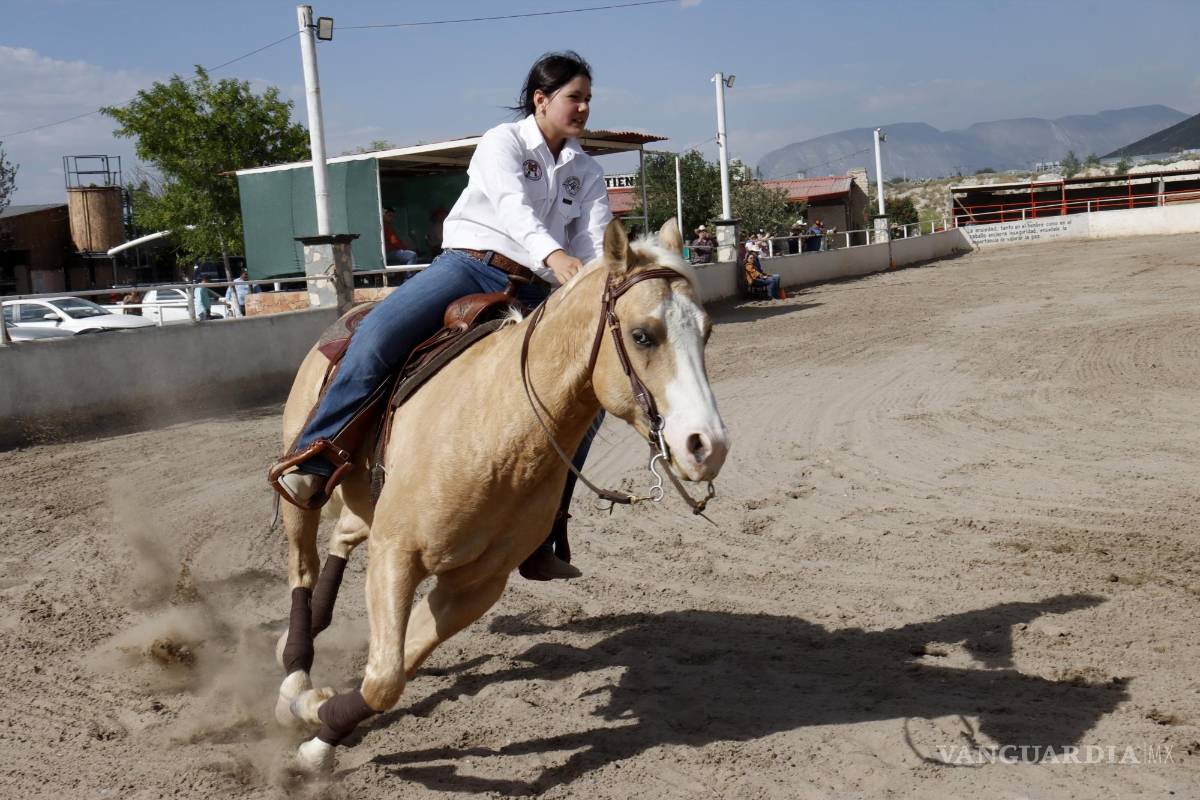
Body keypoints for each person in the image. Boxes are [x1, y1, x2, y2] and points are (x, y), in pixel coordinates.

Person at [272, 51, 611, 582]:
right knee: (380, 332)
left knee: (588, 400)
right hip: (470, 268)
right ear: (542, 100)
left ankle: (544, 530)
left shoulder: (587, 170)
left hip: (536, 291)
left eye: (588, 99)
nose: (584, 108)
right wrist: (554, 257)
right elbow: (511, 207)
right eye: (575, 97)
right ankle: (316, 456)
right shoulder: (503, 142)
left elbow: (592, 237)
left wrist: (592, 275)